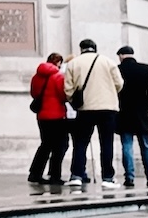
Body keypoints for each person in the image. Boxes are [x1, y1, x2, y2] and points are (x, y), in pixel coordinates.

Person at [64, 37, 123, 184]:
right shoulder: (108, 61)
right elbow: (119, 84)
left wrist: (75, 102)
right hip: (107, 108)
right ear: (95, 48)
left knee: (81, 143)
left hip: (85, 109)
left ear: (81, 49)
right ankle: (108, 177)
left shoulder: (73, 63)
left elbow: (68, 90)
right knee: (106, 143)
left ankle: (77, 175)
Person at [116, 44, 148, 188]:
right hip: (142, 114)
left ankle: (129, 177)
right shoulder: (145, 69)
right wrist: (146, 106)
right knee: (146, 146)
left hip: (124, 113)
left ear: (121, 56)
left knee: (127, 146)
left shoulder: (118, 70)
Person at [27, 51, 69, 187]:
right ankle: (55, 175)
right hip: (57, 115)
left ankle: (35, 173)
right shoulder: (58, 76)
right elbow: (63, 96)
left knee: (45, 145)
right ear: (58, 63)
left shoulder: (36, 77)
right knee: (59, 146)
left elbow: (34, 93)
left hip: (42, 116)